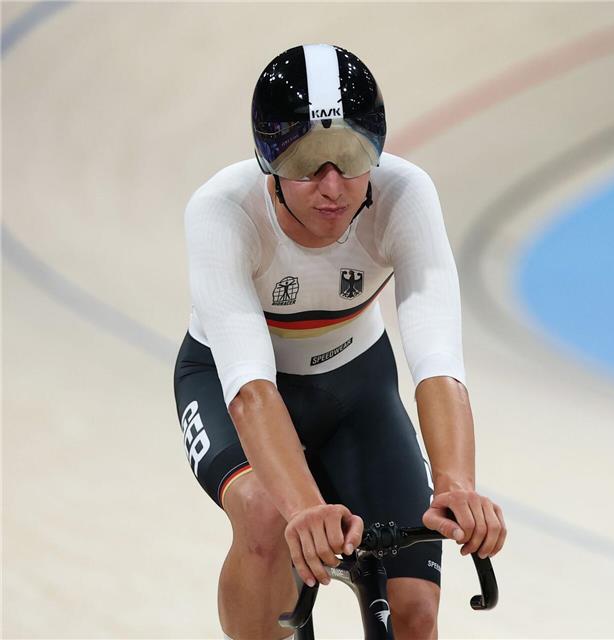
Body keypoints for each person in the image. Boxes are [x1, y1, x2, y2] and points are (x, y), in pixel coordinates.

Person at [173, 43, 506, 640]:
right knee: (266, 515)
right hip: (231, 388)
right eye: (306, 163)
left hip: (357, 390)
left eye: (351, 157)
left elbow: (438, 363)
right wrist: (303, 507)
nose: (332, 187)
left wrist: (456, 486)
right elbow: (250, 390)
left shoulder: (405, 194)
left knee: (415, 614)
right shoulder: (222, 210)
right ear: (269, 160)